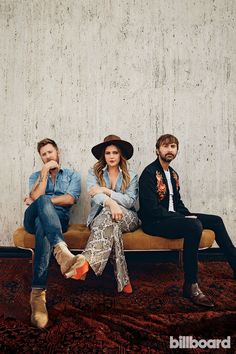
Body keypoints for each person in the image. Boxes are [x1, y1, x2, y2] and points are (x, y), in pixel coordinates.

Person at [139, 134, 236, 308]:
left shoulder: (173, 174)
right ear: (157, 150)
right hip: (154, 222)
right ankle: (191, 285)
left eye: (173, 146)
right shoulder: (148, 173)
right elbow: (150, 209)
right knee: (194, 225)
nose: (170, 150)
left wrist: (187, 214)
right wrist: (184, 218)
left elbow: (178, 204)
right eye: (165, 146)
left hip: (173, 218)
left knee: (216, 221)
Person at [24, 138, 84, 328]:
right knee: (42, 203)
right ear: (40, 158)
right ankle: (62, 253)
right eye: (44, 154)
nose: (48, 156)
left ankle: (37, 296)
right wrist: (43, 172)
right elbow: (37, 197)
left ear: (57, 152)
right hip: (31, 219)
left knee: (44, 220)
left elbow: (70, 199)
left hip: (58, 220)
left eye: (50, 152)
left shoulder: (72, 175)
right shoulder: (35, 176)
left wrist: (43, 200)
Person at [77, 135, 139, 293]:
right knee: (112, 224)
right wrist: (111, 204)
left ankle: (86, 261)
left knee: (109, 214)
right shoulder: (94, 172)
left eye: (115, 152)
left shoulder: (131, 175)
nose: (111, 156)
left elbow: (130, 201)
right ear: (103, 156)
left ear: (121, 155)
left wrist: (106, 191)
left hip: (129, 218)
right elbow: (94, 194)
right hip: (100, 218)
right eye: (108, 153)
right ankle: (123, 280)